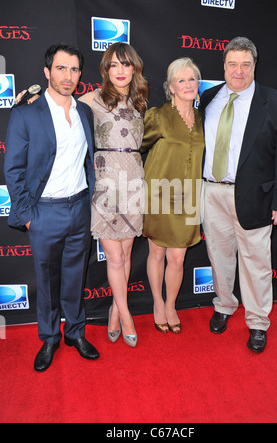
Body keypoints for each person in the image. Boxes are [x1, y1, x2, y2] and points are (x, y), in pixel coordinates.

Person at [4, 43, 100, 371]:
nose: (68, 76)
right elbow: (14, 169)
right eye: (61, 68)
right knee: (46, 280)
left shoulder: (84, 112)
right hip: (44, 212)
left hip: (79, 209)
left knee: (75, 277)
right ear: (47, 72)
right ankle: (49, 338)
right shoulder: (27, 112)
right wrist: (28, 216)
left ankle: (74, 331)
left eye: (74, 70)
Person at [200, 36, 277, 352]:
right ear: (224, 66)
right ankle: (224, 305)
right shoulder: (209, 98)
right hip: (212, 194)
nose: (238, 71)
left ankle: (257, 322)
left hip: (256, 197)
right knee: (219, 256)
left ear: (255, 66)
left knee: (256, 263)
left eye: (246, 64)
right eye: (232, 64)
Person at [79, 42, 148, 347]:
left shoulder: (140, 101)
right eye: (113, 65)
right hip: (106, 180)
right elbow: (59, 104)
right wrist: (31, 99)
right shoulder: (92, 99)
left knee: (127, 254)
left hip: (133, 180)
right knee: (115, 257)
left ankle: (114, 310)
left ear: (134, 68)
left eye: (125, 64)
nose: (120, 71)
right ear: (106, 70)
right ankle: (126, 313)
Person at [140, 58, 205, 334]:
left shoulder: (204, 118)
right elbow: (134, 146)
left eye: (192, 79)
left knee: (177, 258)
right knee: (157, 253)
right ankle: (157, 303)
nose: (188, 85)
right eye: (181, 80)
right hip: (159, 194)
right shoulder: (158, 116)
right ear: (171, 87)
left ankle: (171, 304)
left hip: (189, 196)